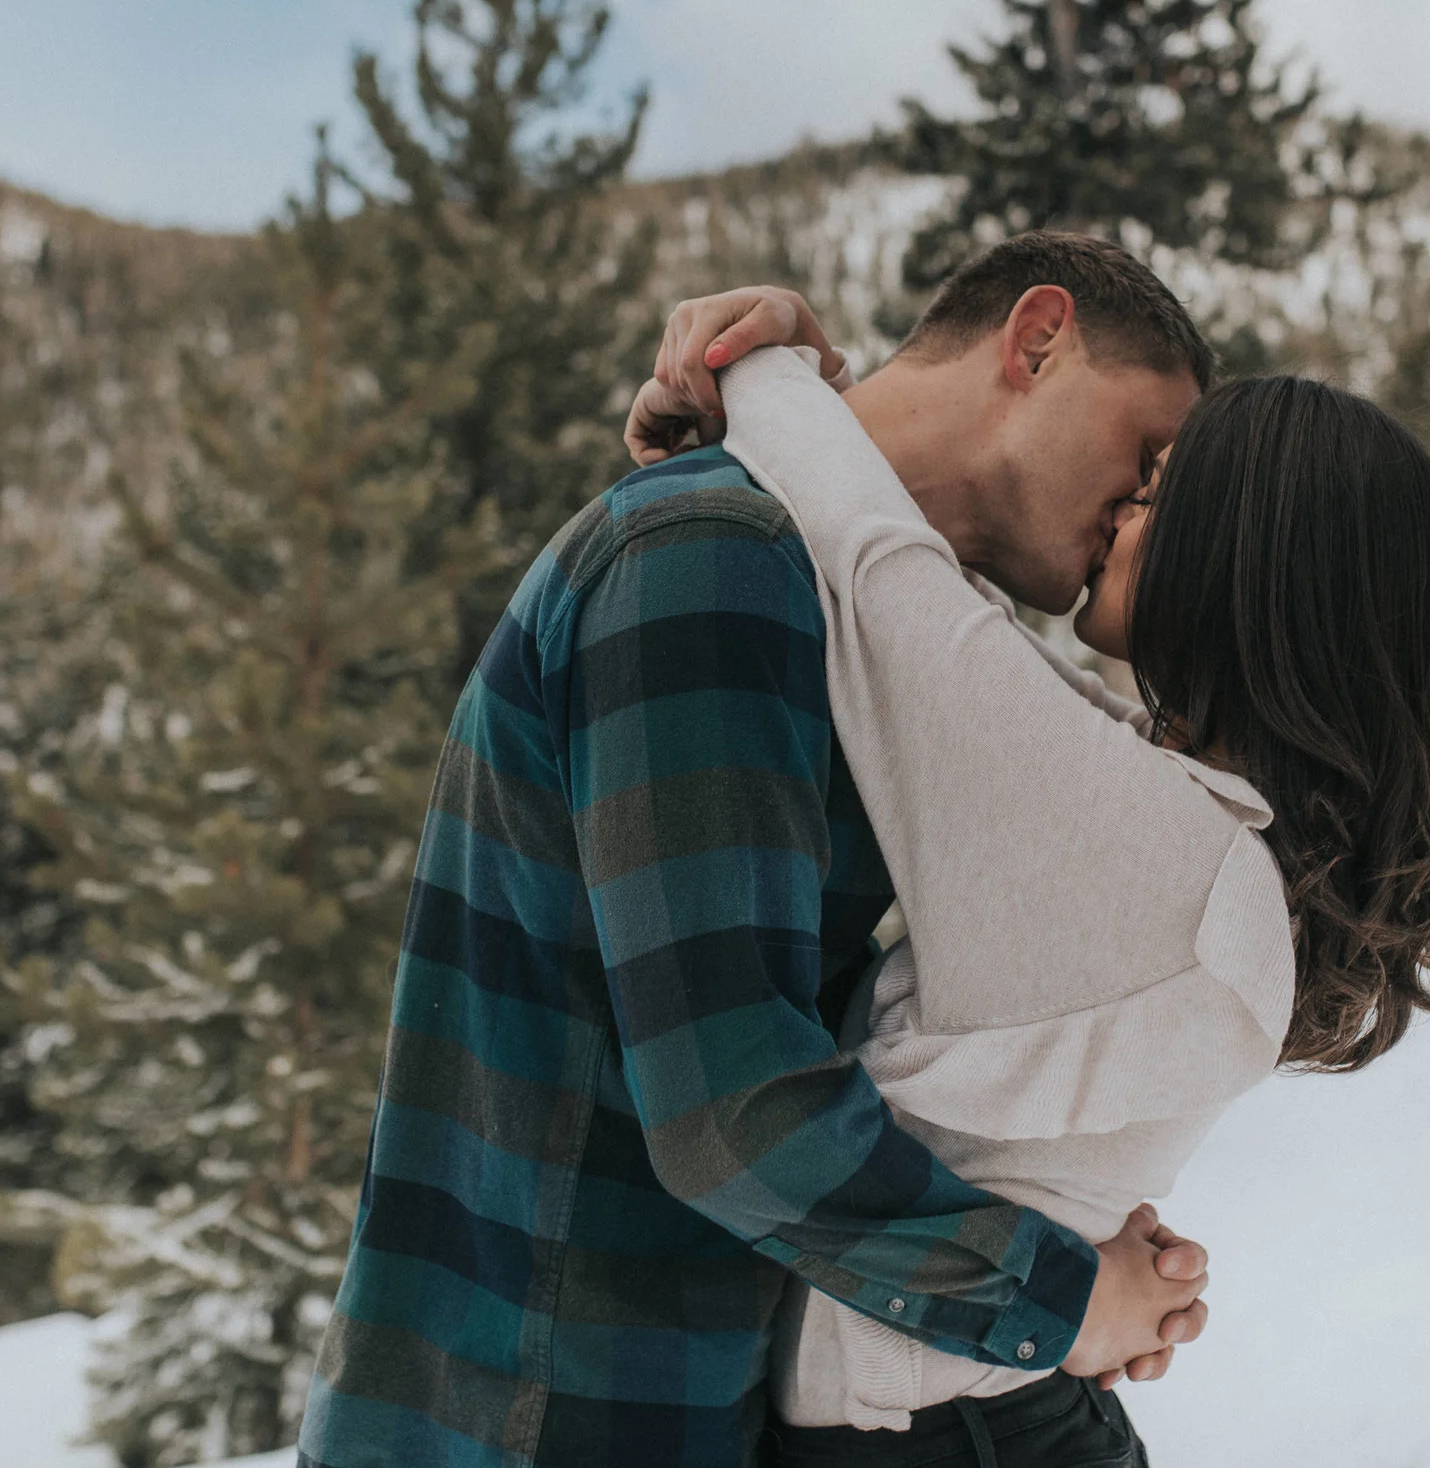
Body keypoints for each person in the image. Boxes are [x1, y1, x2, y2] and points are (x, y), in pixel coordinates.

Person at [297, 235, 1220, 1468]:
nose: (1142, 503)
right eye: (1149, 453)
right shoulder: (709, 558)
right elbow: (732, 1102)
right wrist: (1052, 1299)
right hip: (529, 1408)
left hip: (653, 1392)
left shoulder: (839, 617)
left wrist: (1053, 1227)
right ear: (1039, 337)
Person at [624, 257, 1430, 1467]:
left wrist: (762, 363)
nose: (1126, 508)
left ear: (1253, 558)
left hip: (950, 1434)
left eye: (1162, 488)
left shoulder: (1158, 850)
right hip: (967, 1417)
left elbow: (887, 582)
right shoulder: (1187, 820)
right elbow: (962, 633)